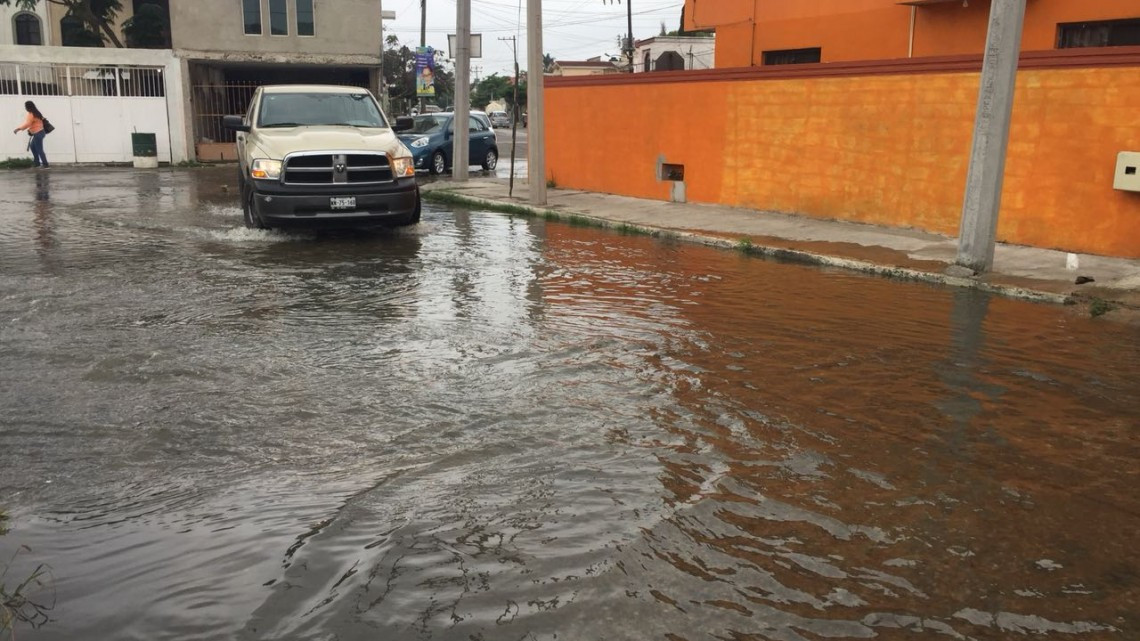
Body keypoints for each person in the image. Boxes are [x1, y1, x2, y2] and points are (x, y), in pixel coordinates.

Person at [13, 100, 48, 168]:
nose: (25, 108)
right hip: (40, 132)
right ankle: (37, 163)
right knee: (32, 147)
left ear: (28, 107)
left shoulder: (31, 114)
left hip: (38, 133)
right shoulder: (37, 113)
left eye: (25, 106)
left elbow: (28, 124)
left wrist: (18, 129)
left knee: (39, 149)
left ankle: (45, 165)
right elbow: (37, 122)